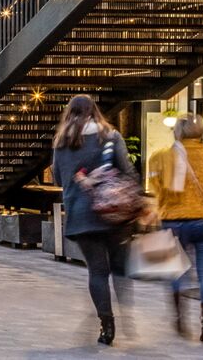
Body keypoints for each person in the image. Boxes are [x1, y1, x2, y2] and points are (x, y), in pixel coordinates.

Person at [50, 95, 135, 347]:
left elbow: (57, 179)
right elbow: (128, 170)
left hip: (81, 215)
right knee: (119, 268)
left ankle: (106, 324)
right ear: (94, 111)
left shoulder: (62, 142)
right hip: (114, 212)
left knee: (97, 271)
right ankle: (127, 316)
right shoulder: (111, 136)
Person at [146, 116, 203, 344]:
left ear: (178, 133)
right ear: (201, 133)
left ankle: (179, 318)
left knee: (177, 271)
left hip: (173, 221)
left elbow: (157, 187)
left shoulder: (163, 156)